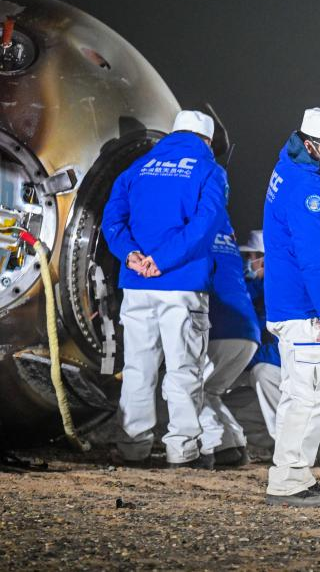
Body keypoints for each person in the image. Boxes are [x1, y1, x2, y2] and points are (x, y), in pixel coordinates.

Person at [102, 109, 227, 468]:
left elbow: (112, 221)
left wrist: (132, 256)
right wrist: (165, 259)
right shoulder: (209, 170)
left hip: (137, 283)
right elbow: (207, 225)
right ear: (206, 140)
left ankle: (132, 447)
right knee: (183, 367)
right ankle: (182, 450)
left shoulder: (136, 169)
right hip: (181, 283)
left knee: (139, 366)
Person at [262, 107, 320, 507]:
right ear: (315, 145)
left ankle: (294, 475)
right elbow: (314, 256)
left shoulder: (298, 171)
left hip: (295, 303)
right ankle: (288, 482)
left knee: (302, 394)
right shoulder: (306, 189)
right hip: (306, 308)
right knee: (310, 396)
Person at [201, 220, 260, 467]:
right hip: (248, 335)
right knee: (209, 391)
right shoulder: (229, 249)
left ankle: (214, 445)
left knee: (188, 391)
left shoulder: (198, 243)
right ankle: (233, 445)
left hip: (222, 330)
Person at [223, 229, 282, 455]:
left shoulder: (281, 292)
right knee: (217, 404)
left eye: (252, 256)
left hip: (284, 378)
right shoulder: (254, 291)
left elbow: (275, 353)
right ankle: (258, 445)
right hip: (259, 371)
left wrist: (238, 360)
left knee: (264, 372)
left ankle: (292, 450)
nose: (248, 262)